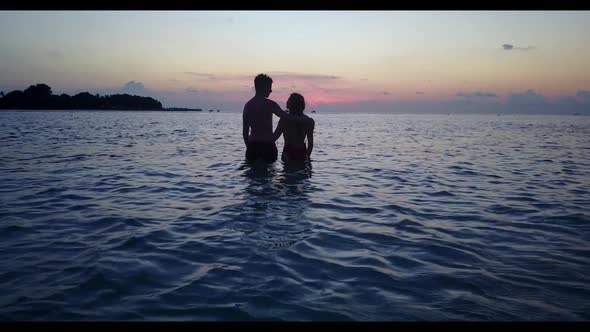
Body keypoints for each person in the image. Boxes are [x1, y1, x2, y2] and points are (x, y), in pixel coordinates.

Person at [243, 74, 313, 162]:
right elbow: (286, 116)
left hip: (253, 145)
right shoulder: (270, 104)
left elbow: (245, 132)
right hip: (268, 146)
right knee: (269, 174)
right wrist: (305, 120)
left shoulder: (248, 106)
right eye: (269, 87)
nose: (271, 90)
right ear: (263, 87)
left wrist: (249, 147)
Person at [272, 93, 314, 162]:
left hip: (288, 152)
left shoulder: (285, 119)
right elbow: (310, 144)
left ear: (291, 104)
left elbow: (275, 137)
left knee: (288, 171)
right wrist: (308, 156)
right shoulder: (309, 121)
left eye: (289, 100)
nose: (287, 101)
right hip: (301, 151)